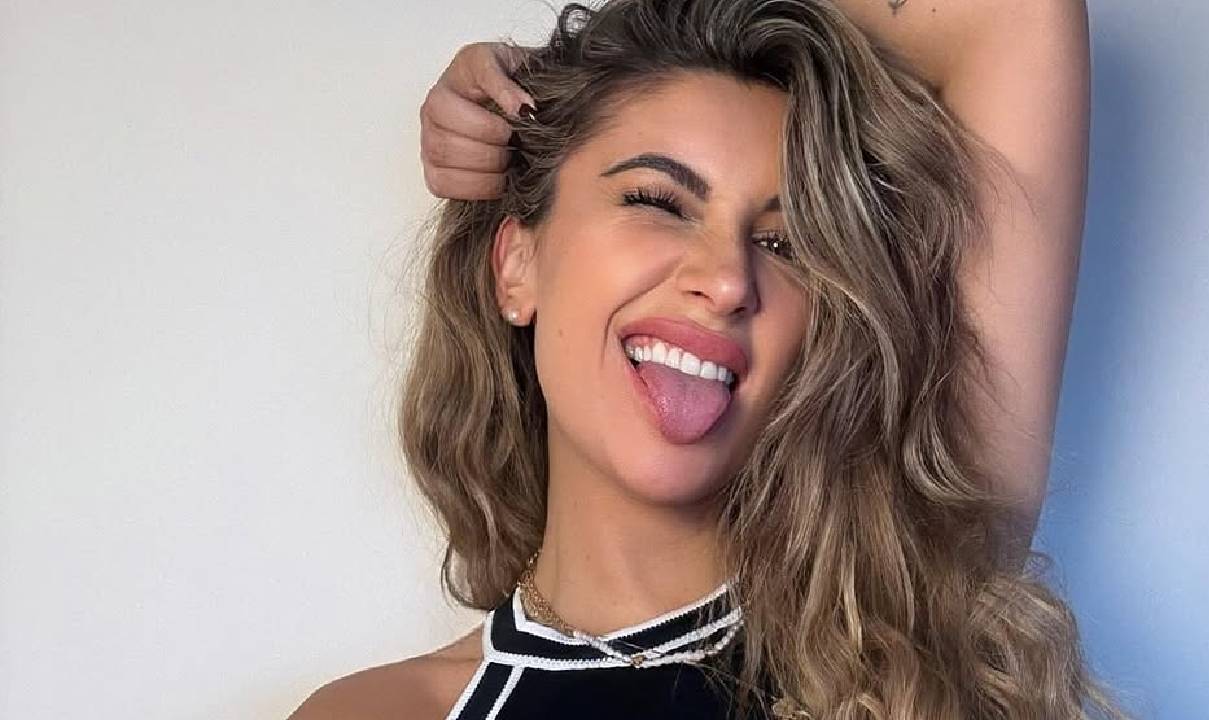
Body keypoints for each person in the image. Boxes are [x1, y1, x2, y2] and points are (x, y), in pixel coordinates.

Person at [290, 1, 1121, 718]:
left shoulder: (910, 626)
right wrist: (558, 87)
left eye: (785, 244)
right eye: (657, 201)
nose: (727, 280)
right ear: (518, 265)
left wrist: (577, 56)